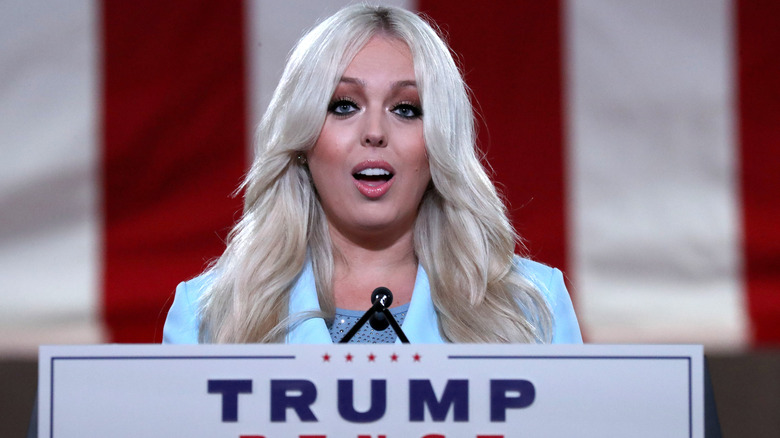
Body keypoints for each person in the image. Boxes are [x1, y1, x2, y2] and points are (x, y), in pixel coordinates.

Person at [163, 4, 581, 345]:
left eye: (406, 109)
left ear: (439, 144)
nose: (375, 133)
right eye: (344, 105)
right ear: (303, 140)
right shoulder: (208, 316)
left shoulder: (530, 307)